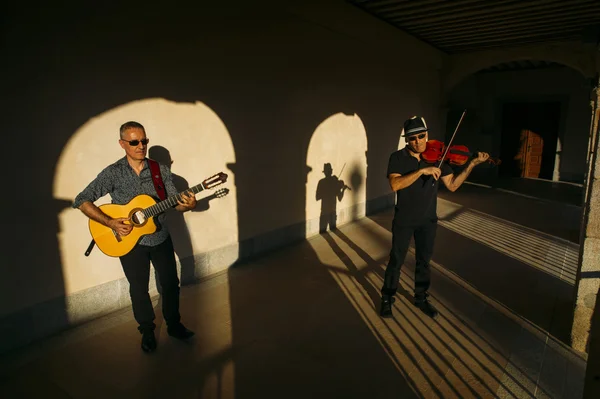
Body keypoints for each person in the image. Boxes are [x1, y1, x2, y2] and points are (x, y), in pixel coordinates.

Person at [73, 121, 197, 353]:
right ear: (122, 144)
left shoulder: (160, 170)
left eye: (144, 141)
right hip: (129, 242)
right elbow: (81, 200)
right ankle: (147, 330)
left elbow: (175, 203)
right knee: (138, 288)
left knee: (170, 283)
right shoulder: (113, 173)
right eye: (134, 142)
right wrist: (110, 222)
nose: (141, 146)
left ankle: (174, 325)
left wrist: (188, 205)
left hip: (160, 236)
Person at [380, 116, 489, 319]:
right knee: (396, 259)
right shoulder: (398, 158)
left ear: (427, 135)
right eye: (413, 138)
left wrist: (472, 163)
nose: (418, 142)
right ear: (407, 140)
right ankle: (387, 297)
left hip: (428, 220)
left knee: (424, 261)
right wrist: (422, 171)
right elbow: (395, 184)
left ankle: (421, 298)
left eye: (422, 136)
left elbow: (453, 185)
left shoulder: (440, 157)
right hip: (404, 219)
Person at [316, 163, 350, 233]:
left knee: (323, 234)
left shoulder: (321, 182)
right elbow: (340, 198)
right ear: (331, 172)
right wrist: (342, 189)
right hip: (332, 211)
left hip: (325, 211)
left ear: (324, 173)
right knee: (335, 232)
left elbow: (317, 197)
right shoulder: (334, 182)